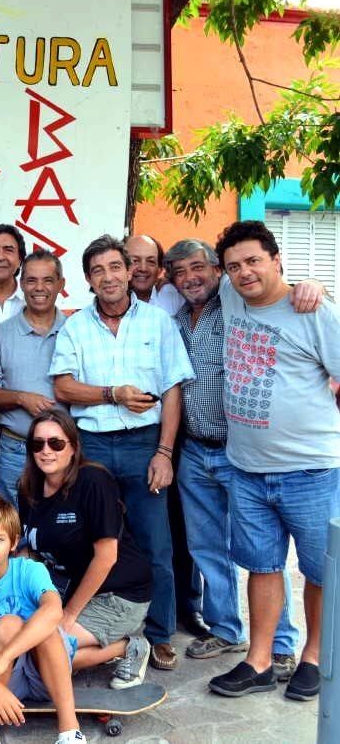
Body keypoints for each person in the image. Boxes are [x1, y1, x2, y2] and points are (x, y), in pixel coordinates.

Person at [208, 221, 340, 702]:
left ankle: (313, 657)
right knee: (261, 567)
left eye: (254, 261)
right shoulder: (229, 294)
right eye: (235, 266)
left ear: (277, 259)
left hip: (311, 471)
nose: (244, 273)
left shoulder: (315, 312)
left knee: (322, 570)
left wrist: (316, 285)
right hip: (246, 469)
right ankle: (259, 660)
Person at [50, 234, 195, 671]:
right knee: (91, 543)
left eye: (115, 267)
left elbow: (172, 391)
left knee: (156, 544)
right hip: (91, 448)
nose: (109, 277)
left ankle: (159, 634)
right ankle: (96, 626)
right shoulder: (76, 326)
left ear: (129, 271)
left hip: (143, 446)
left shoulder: (157, 323)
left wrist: (165, 453)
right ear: (88, 281)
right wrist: (113, 394)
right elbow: (63, 386)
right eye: (98, 271)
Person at [165, 238, 300, 680]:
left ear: (216, 271)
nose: (190, 277)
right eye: (180, 271)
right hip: (193, 451)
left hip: (239, 452)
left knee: (263, 555)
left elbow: (276, 293)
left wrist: (309, 285)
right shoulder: (177, 319)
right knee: (206, 548)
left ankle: (281, 645)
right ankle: (226, 628)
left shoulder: (238, 308)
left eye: (199, 267)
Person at [18, 409, 153, 688]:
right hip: (68, 588)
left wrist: (69, 615)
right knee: (20, 642)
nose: (46, 451)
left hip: (118, 593)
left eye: (56, 443)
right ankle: (75, 647)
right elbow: (32, 550)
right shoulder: (28, 488)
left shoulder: (93, 481)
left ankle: (129, 647)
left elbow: (106, 558)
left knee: (43, 659)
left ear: (73, 448)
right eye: (37, 444)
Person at [0, 492, 84, 744]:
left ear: (13, 542)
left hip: (48, 676)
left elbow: (54, 611)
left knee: (45, 625)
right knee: (8, 624)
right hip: (0, 680)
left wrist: (3, 658)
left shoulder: (29, 570)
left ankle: (70, 731)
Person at [126, 232, 205, 637]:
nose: (139, 267)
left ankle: (186, 609)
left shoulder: (175, 298)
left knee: (179, 527)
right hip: (130, 434)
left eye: (147, 260)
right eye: (131, 259)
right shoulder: (105, 308)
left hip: (176, 433)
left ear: (159, 268)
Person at [0, 250, 67, 507]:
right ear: (22, 284)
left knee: (63, 528)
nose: (39, 288)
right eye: (31, 280)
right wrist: (21, 399)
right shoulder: (1, 334)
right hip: (15, 448)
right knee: (12, 528)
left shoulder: (76, 331)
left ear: (61, 285)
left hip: (63, 449)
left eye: (48, 280)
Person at [124, 234, 183, 316]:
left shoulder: (173, 297)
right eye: (135, 261)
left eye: (151, 261)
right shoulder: (107, 301)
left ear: (160, 270)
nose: (143, 268)